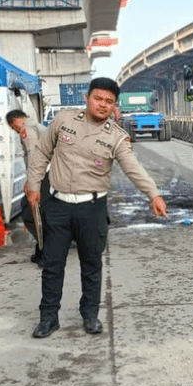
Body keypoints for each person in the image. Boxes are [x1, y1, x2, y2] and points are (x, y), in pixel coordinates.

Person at [25, 77, 168, 338]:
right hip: (57, 206)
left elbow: (133, 169)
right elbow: (42, 153)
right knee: (52, 264)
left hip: (92, 208)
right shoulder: (64, 121)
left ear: (115, 107)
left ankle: (90, 315)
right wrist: (34, 185)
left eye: (109, 102)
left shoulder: (116, 137)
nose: (103, 105)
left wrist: (154, 194)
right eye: (98, 98)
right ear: (88, 98)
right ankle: (48, 318)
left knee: (92, 265)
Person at [7, 109, 49, 265]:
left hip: (46, 174)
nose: (15, 130)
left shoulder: (27, 130)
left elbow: (34, 156)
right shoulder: (37, 126)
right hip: (52, 173)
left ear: (15, 121)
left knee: (30, 213)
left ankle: (46, 250)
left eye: (13, 127)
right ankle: (42, 248)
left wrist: (32, 183)